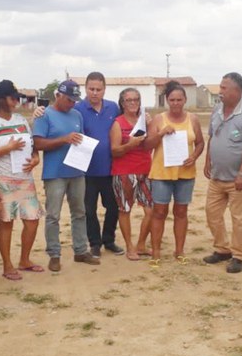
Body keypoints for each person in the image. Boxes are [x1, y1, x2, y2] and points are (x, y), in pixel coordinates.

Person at [0, 80, 44, 281]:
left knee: (32, 219)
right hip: (1, 176)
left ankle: (25, 259)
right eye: (12, 97)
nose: (15, 101)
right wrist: (7, 148)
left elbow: (32, 146)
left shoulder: (21, 120)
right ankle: (7, 265)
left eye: (16, 97)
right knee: (7, 220)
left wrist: (36, 158)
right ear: (0, 99)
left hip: (23, 175)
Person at [33, 80, 100, 272]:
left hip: (77, 172)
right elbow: (37, 143)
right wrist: (63, 139)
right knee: (53, 215)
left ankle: (80, 250)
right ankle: (54, 254)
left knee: (80, 212)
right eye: (69, 99)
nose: (72, 103)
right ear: (58, 96)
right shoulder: (44, 115)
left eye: (75, 100)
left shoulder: (77, 114)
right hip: (55, 173)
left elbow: (80, 138)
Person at [202, 72, 242, 273]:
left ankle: (238, 256)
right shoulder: (217, 109)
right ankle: (222, 249)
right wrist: (208, 161)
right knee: (212, 213)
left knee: (239, 219)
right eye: (220, 87)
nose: (220, 92)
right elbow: (212, 136)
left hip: (239, 179)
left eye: (224, 88)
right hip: (217, 176)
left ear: (237, 91)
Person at [144, 80, 204, 267]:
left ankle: (179, 251)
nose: (176, 103)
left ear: (185, 100)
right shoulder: (158, 120)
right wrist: (160, 133)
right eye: (172, 99)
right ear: (167, 100)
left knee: (181, 212)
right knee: (159, 212)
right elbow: (147, 145)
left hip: (185, 173)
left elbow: (200, 142)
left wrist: (194, 156)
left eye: (179, 99)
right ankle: (156, 252)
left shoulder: (192, 119)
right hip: (162, 173)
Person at [74, 72, 124, 257]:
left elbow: (127, 121)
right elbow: (57, 113)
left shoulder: (113, 108)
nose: (94, 93)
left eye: (98, 89)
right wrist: (40, 111)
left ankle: (109, 240)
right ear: (85, 88)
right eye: (91, 89)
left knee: (113, 206)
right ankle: (94, 243)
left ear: (105, 89)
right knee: (89, 209)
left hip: (111, 168)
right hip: (86, 171)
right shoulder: (77, 109)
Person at [109, 87, 153, 261]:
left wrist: (150, 125)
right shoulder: (118, 123)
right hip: (124, 172)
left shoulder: (145, 121)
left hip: (146, 170)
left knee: (151, 210)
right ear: (122, 103)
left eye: (136, 99)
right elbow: (114, 151)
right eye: (129, 100)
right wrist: (130, 145)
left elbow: (152, 143)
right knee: (125, 209)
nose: (133, 103)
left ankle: (141, 244)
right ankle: (129, 246)